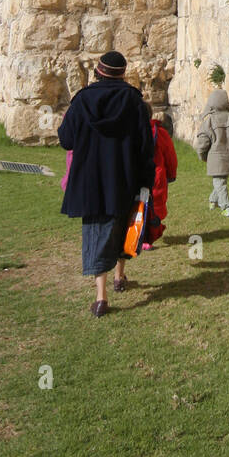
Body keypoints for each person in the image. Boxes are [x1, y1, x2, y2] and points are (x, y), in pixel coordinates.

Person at [59, 51, 155, 318]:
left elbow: (66, 139)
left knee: (95, 232)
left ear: (98, 72)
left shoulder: (82, 100)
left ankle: (101, 297)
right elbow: (146, 148)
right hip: (124, 177)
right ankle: (119, 276)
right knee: (122, 227)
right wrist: (146, 181)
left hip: (90, 179)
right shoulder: (134, 102)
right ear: (122, 74)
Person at [193, 81, 229, 217]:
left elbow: (203, 141)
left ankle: (226, 206)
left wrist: (202, 156)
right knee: (221, 180)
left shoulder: (209, 121)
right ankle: (213, 200)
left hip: (216, 158)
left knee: (220, 181)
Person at [142, 106, 178, 250]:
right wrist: (171, 173)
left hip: (136, 177)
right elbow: (170, 156)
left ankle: (141, 236)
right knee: (154, 207)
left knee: (138, 206)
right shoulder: (160, 133)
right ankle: (148, 237)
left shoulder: (130, 132)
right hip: (156, 176)